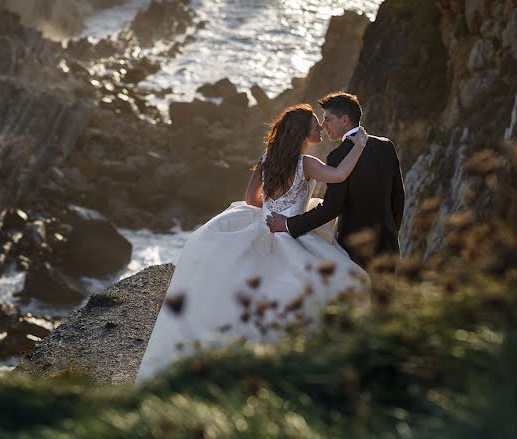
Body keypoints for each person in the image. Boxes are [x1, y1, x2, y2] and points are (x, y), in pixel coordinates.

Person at [135, 99, 372, 384]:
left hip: (264, 225)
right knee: (338, 280)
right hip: (288, 234)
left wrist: (275, 207)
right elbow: (339, 175)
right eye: (315, 126)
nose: (321, 128)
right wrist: (359, 145)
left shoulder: (268, 156)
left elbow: (251, 199)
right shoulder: (306, 164)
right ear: (302, 134)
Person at [266, 92, 405, 267]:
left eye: (328, 119)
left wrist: (289, 225)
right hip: (388, 245)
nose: (323, 125)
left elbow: (332, 208)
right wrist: (392, 231)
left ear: (344, 120)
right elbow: (398, 197)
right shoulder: (386, 146)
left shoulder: (338, 156)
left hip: (355, 247)